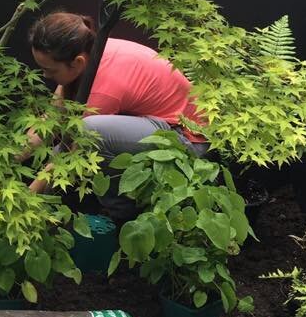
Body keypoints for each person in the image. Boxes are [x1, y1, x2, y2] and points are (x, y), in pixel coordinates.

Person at [26, 11, 208, 218]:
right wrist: (10, 158)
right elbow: (52, 116)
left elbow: (69, 151)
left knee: (90, 131)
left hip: (187, 140)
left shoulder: (103, 90)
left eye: (49, 69)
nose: (45, 75)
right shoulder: (92, 48)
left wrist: (27, 198)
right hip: (154, 121)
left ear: (76, 63)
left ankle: (122, 213)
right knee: (88, 133)